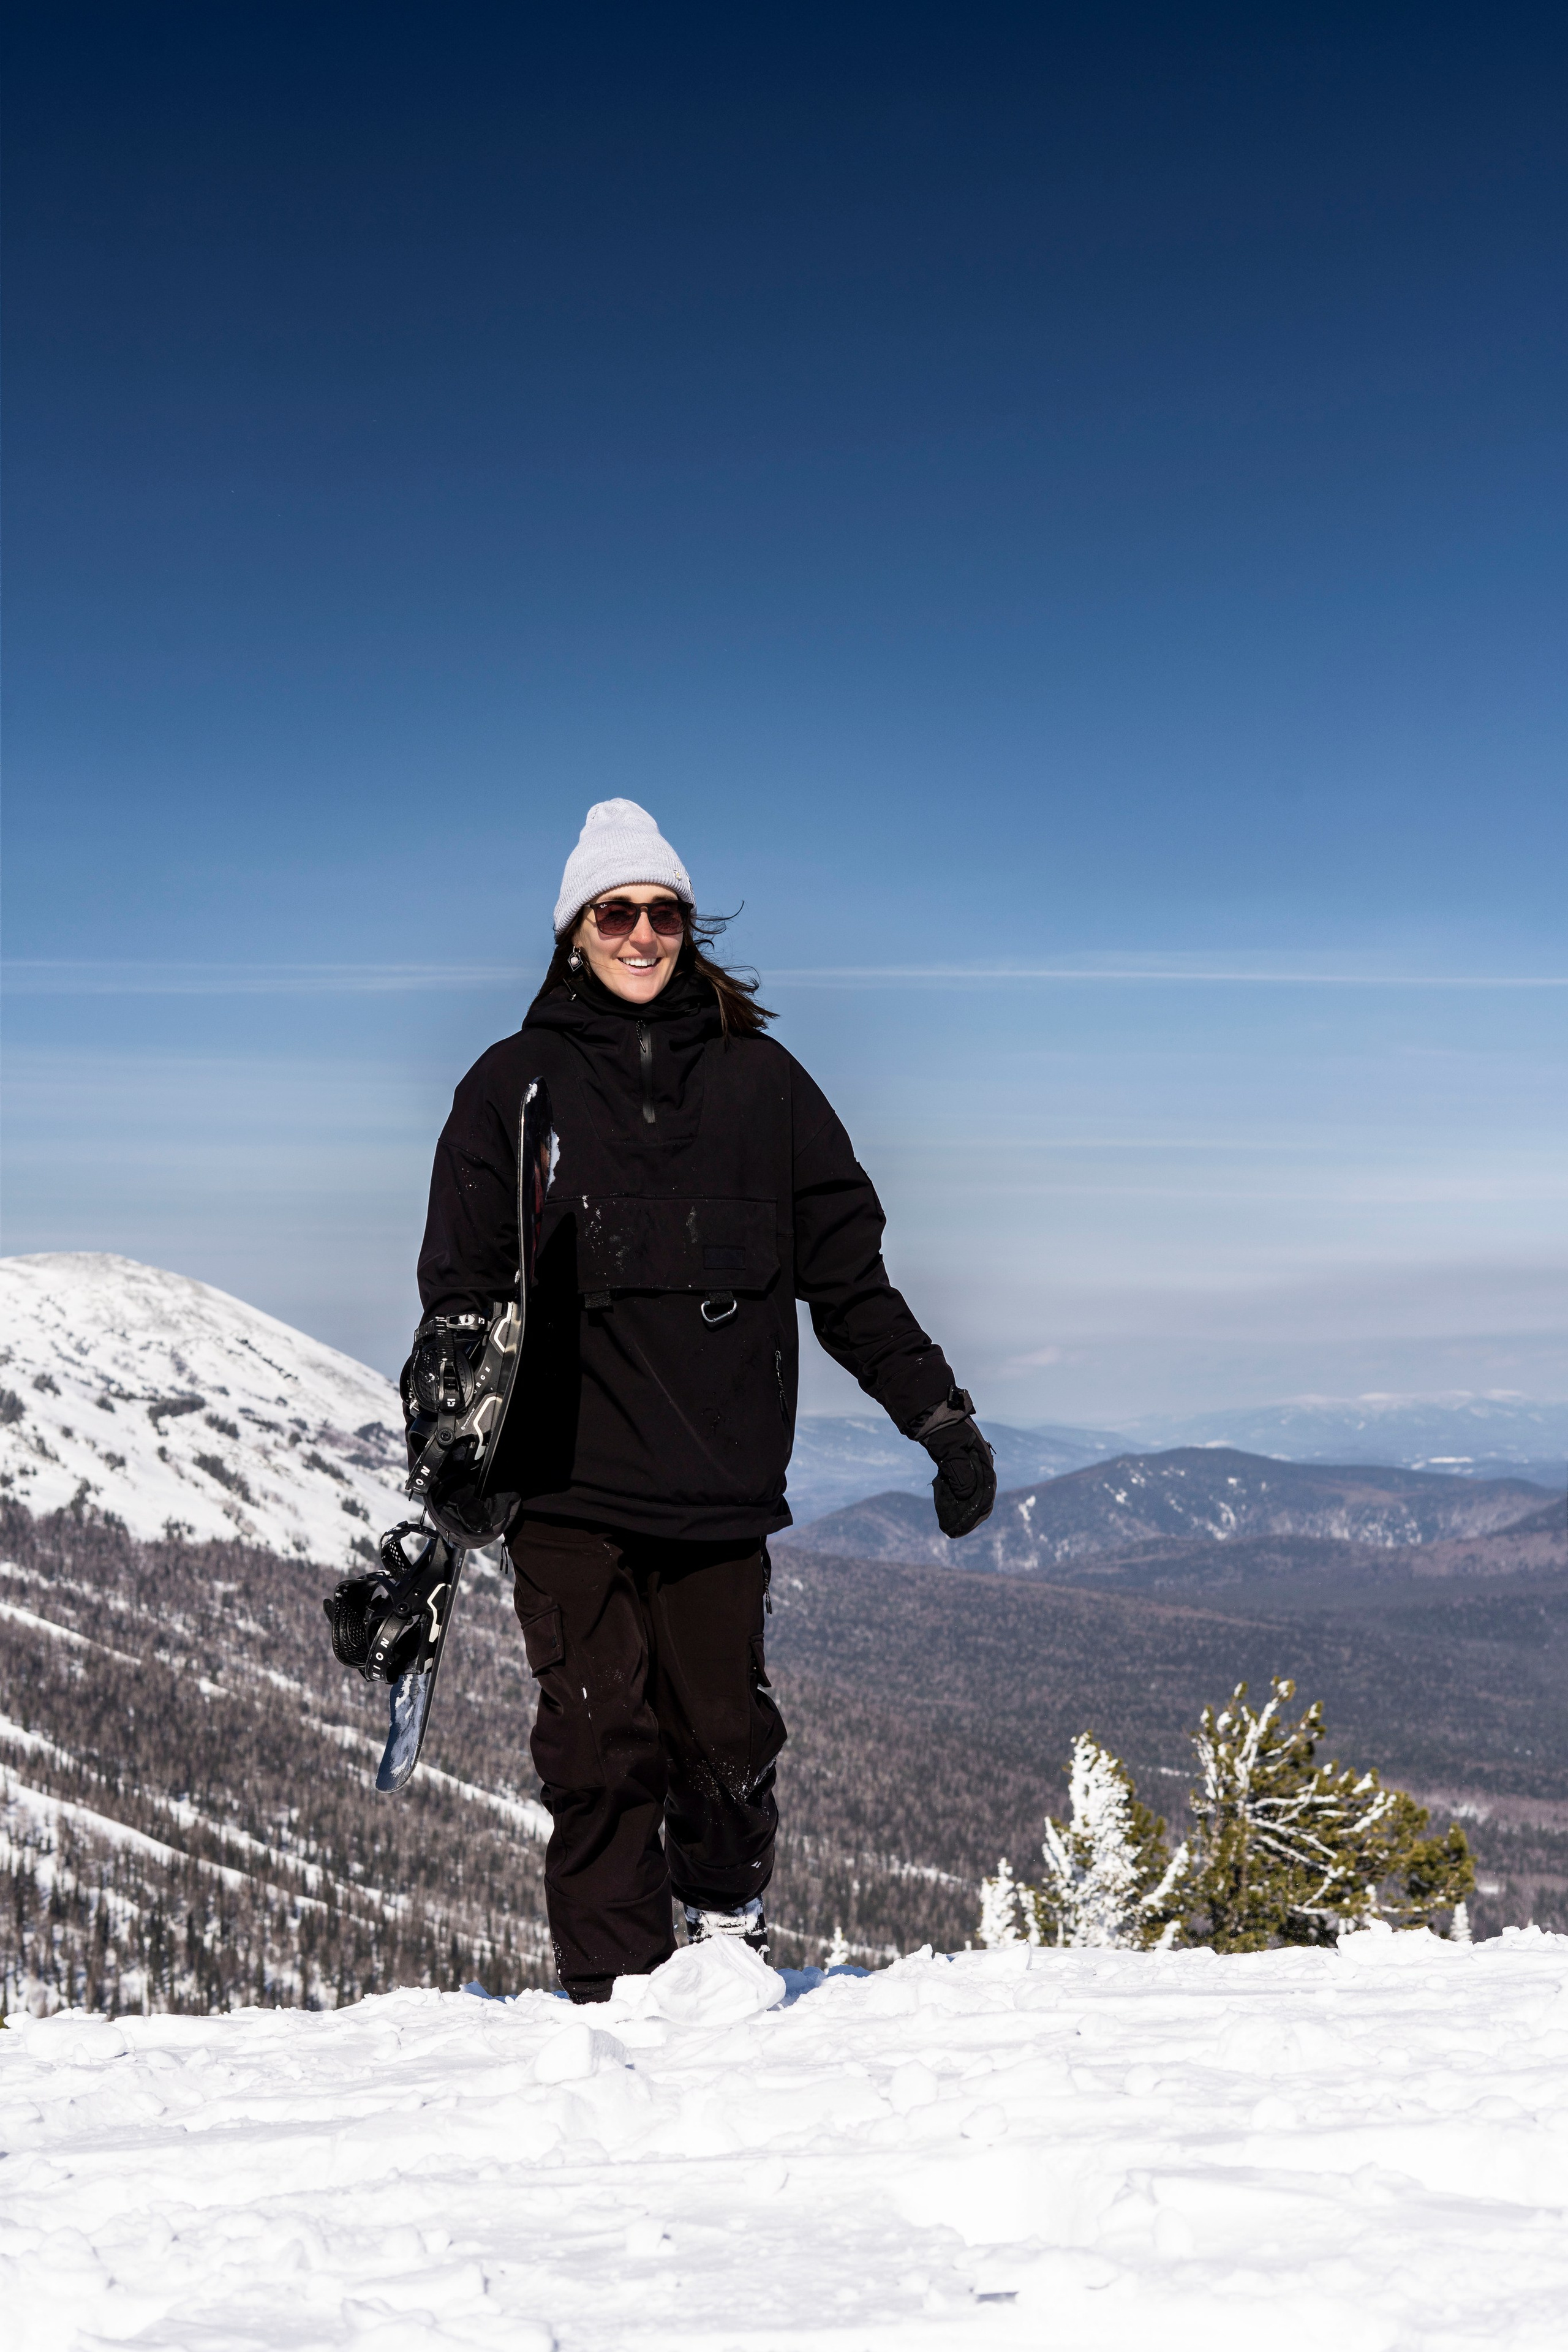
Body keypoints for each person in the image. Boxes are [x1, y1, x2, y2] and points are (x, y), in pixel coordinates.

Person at [409, 798, 996, 2001]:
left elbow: (848, 1279)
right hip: (562, 1484)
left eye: (659, 912)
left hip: (720, 1487)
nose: (639, 934)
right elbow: (461, 1290)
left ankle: (723, 1927)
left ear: (687, 926)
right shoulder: (509, 1091)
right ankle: (619, 1996)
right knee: (592, 1743)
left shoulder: (765, 1089)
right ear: (573, 931)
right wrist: (451, 1453)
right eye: (613, 913)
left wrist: (938, 1419)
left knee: (722, 1736)